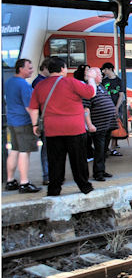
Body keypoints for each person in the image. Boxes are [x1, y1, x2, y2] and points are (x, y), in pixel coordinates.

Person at [28, 57, 96, 196]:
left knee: (55, 161)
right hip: (75, 128)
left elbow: (33, 108)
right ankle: (85, 187)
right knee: (78, 160)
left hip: (52, 129)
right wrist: (91, 78)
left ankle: (54, 189)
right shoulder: (71, 82)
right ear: (62, 69)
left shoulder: (40, 85)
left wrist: (35, 125)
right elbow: (91, 93)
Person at [4, 58, 41, 193]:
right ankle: (24, 183)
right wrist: (35, 124)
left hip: (12, 121)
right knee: (25, 152)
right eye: (29, 68)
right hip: (24, 122)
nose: (32, 70)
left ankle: (10, 181)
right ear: (21, 69)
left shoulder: (9, 82)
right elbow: (30, 107)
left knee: (14, 151)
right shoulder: (23, 85)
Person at [80, 66, 117, 181]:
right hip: (98, 125)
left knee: (104, 149)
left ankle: (102, 169)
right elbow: (86, 108)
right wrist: (89, 124)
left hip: (107, 124)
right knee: (99, 150)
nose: (102, 76)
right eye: (99, 74)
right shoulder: (88, 89)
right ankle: (98, 173)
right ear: (93, 76)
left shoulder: (100, 86)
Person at [32, 58, 51, 186]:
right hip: (45, 118)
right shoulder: (39, 82)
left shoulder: (40, 81)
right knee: (47, 148)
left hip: (46, 118)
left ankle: (49, 174)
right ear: (45, 68)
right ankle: (47, 175)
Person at [100, 62, 124, 156]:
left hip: (116, 107)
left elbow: (121, 95)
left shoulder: (119, 81)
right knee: (106, 128)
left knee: (115, 127)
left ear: (110, 69)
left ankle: (113, 148)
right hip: (106, 108)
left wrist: (117, 107)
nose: (104, 71)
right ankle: (105, 148)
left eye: (105, 69)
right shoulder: (104, 81)